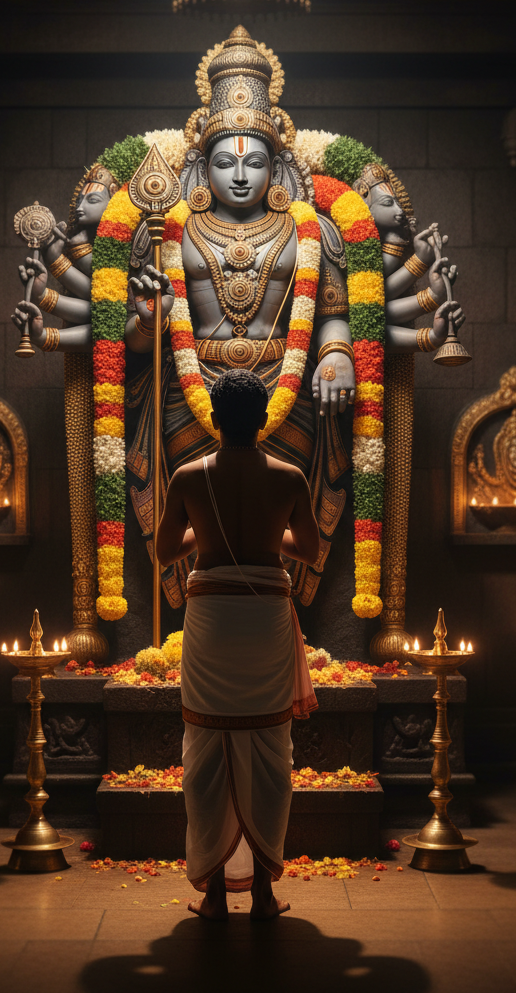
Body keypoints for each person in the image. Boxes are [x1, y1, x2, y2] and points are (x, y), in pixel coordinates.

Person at [156, 370, 321, 920]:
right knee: (271, 746)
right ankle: (265, 894)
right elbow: (309, 550)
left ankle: (215, 897)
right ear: (264, 419)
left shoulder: (188, 476)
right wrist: (270, 536)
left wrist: (205, 532)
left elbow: (165, 553)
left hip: (213, 620)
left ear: (214, 420)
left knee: (206, 747)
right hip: (265, 617)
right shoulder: (290, 477)